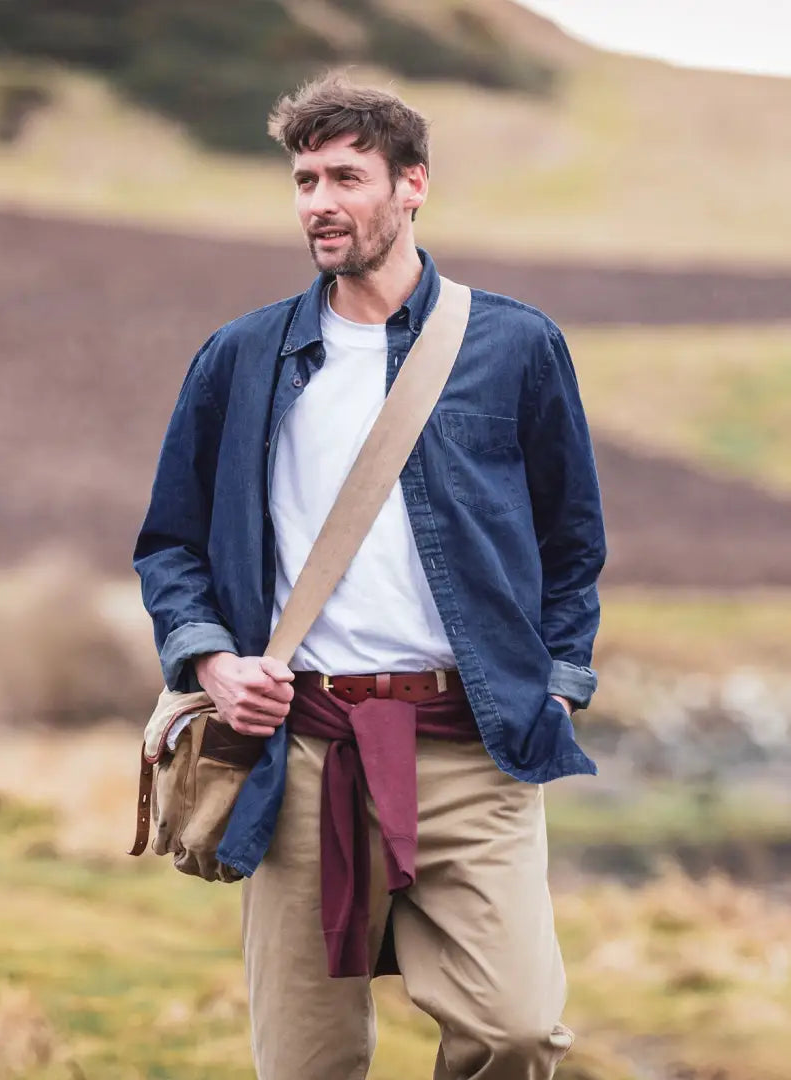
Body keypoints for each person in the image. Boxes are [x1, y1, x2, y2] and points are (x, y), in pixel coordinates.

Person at [133, 73, 605, 1080]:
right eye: (305, 179)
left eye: (347, 175)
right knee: (307, 1062)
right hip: (301, 749)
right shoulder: (240, 358)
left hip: (472, 747)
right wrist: (209, 660)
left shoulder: (515, 346)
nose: (319, 203)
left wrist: (560, 683)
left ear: (412, 185)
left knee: (515, 1029)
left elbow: (572, 543)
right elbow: (170, 544)